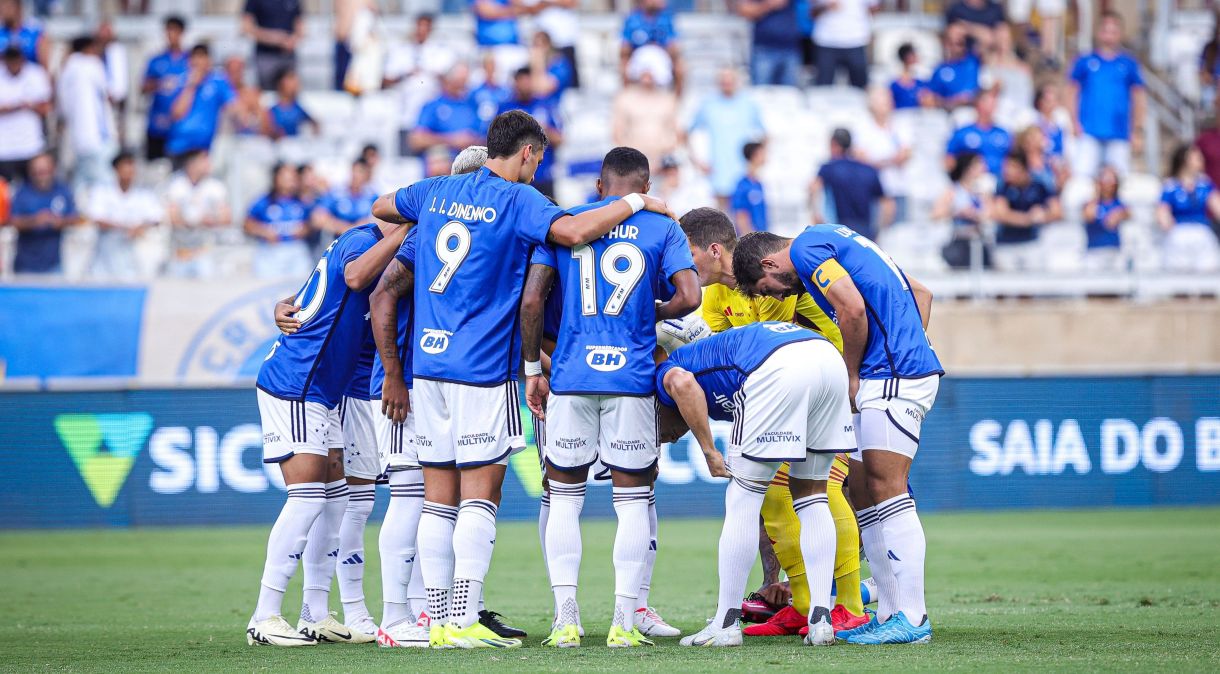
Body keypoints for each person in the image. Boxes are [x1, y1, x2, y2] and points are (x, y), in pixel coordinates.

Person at [368, 110, 673, 649]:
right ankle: (462, 620)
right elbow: (575, 230)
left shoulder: (436, 189)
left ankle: (438, 621)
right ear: (528, 153)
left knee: (438, 497)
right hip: (483, 368)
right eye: (538, 159)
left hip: (427, 367)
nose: (537, 168)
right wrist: (637, 202)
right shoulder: (520, 199)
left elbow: (381, 206)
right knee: (480, 495)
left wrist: (432, 215)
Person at [520, 146, 700, 648]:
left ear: (601, 187)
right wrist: (650, 311)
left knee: (563, 496)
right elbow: (690, 297)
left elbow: (532, 300)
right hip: (632, 378)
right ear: (644, 185)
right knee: (633, 499)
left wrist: (535, 367)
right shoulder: (663, 225)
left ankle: (565, 619)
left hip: (572, 376)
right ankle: (624, 620)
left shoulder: (565, 221)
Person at [731, 224, 943, 645]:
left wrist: (856, 370)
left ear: (770, 262)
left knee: (888, 488)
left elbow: (852, 310)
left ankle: (914, 618)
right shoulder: (834, 240)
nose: (776, 296)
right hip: (890, 372)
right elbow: (920, 293)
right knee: (863, 491)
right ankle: (888, 612)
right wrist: (906, 343)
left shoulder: (808, 248)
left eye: (767, 287)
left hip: (891, 376)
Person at [677, 208, 868, 638]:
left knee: (809, 491)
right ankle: (806, 604)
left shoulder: (778, 270)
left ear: (712, 249)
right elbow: (719, 354)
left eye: (688, 254)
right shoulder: (713, 298)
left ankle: (850, 605)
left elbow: (766, 348)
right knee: (782, 498)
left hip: (822, 380)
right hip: (779, 389)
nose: (684, 266)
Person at [246, 208, 410, 647]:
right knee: (307, 499)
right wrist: (405, 232)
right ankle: (264, 616)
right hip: (299, 382)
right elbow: (355, 279)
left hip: (323, 389)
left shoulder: (355, 241)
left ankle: (315, 613)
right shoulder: (362, 242)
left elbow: (307, 300)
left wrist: (282, 305)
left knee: (335, 503)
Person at [660, 321, 853, 648]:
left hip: (775, 366)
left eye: (656, 431)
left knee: (743, 498)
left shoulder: (668, 370)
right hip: (828, 359)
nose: (665, 439)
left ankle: (725, 623)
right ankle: (821, 620)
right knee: (813, 495)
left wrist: (708, 449)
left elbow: (681, 383)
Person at [1068, 11, 1145, 177]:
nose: (1109, 35)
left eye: (1114, 31)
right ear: (1098, 32)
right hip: (1089, 130)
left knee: (1120, 179)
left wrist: (1137, 129)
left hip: (1119, 131)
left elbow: (1138, 97)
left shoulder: (1128, 64)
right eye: (1105, 30)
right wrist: (1073, 121)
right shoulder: (1085, 61)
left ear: (1120, 34)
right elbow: (1072, 91)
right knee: (1082, 176)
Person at [689, 67, 764, 210]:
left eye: (730, 79)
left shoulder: (749, 103)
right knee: (722, 216)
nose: (727, 83)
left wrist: (756, 161)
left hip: (743, 169)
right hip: (719, 169)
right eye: (723, 80)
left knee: (744, 217)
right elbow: (688, 133)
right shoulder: (708, 104)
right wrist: (697, 161)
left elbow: (764, 135)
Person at [88, 151, 164, 280]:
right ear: (116, 169)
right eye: (125, 166)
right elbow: (96, 218)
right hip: (105, 256)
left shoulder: (144, 194)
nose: (129, 170)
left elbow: (157, 218)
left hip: (131, 255)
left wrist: (141, 227)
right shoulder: (102, 191)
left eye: (131, 166)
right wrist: (125, 228)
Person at [383, 14, 451, 155]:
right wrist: (406, 74)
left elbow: (450, 81)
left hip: (431, 120)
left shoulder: (440, 52)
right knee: (407, 160)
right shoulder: (401, 51)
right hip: (406, 115)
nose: (421, 30)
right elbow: (386, 80)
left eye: (425, 27)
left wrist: (432, 73)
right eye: (419, 26)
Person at [811, 128, 892, 239]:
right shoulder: (869, 170)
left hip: (839, 231)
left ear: (834, 144)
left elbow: (813, 189)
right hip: (865, 232)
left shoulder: (829, 168)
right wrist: (877, 231)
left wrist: (816, 217)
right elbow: (888, 205)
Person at [58, 35, 116, 191]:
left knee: (80, 185)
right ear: (88, 48)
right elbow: (112, 92)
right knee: (105, 185)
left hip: (77, 139)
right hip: (97, 137)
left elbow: (63, 107)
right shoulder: (91, 64)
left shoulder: (66, 69)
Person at [9, 153, 81, 274]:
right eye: (36, 172)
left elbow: (75, 218)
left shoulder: (62, 190)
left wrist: (59, 221)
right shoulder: (22, 192)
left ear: (52, 169)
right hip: (25, 265)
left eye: (44, 171)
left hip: (54, 264)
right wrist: (34, 221)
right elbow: (13, 221)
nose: (41, 176)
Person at [497, 66, 563, 198]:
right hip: (514, 178)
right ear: (515, 82)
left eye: (529, 80)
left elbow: (559, 139)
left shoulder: (545, 105)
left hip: (543, 175)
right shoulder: (505, 109)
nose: (526, 85)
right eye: (522, 81)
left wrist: (540, 130)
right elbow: (496, 142)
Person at [612, 48, 682, 171]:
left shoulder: (668, 100)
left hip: (663, 166)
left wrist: (665, 159)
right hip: (634, 166)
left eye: (652, 71)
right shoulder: (625, 98)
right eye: (644, 70)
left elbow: (677, 133)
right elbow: (617, 133)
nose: (647, 76)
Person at [164, 149, 230, 278]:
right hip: (180, 252)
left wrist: (211, 220)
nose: (208, 164)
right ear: (192, 164)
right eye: (203, 161)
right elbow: (171, 218)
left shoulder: (216, 187)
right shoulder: (176, 185)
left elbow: (226, 218)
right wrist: (195, 221)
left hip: (205, 251)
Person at [992, 151, 1061, 271]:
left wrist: (1043, 215)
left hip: (1031, 241)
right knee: (1006, 285)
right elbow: (1000, 213)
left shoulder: (1039, 184)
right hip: (1006, 243)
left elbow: (1057, 212)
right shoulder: (1002, 185)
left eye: (1011, 167)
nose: (1007, 171)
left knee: (1032, 284)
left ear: (1023, 168)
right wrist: (1028, 219)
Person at [167, 45, 236, 163]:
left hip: (204, 150)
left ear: (209, 61)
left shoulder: (218, 82)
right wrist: (191, 86)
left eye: (202, 57)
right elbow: (176, 114)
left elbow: (234, 108)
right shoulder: (179, 81)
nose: (198, 62)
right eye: (195, 57)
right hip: (179, 147)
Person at [1157, 144, 1220, 272]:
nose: (1202, 160)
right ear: (1185, 160)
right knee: (1179, 276)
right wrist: (1168, 225)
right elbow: (1162, 211)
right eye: (1197, 157)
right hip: (1179, 232)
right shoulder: (1171, 186)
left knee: (1208, 273)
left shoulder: (1205, 184)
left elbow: (1217, 206)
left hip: (1202, 232)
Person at [245, 163, 314, 279]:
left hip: (295, 249)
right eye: (286, 177)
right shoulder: (264, 201)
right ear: (276, 178)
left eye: (292, 177)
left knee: (300, 285)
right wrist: (263, 232)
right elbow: (247, 224)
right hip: (270, 251)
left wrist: (305, 229)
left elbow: (310, 223)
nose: (290, 180)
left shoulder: (302, 202)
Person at [856, 87, 913, 221]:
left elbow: (905, 154)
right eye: (882, 100)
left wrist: (880, 161)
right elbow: (861, 158)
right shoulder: (863, 127)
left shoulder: (900, 125)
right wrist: (891, 159)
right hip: (875, 192)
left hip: (898, 188)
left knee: (901, 233)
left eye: (888, 99)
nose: (887, 103)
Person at [0, 46, 50, 182]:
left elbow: (46, 108)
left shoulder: (35, 74)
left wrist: (31, 105)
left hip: (30, 145)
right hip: (4, 148)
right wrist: (16, 106)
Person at [933, 152, 991, 269]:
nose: (984, 168)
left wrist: (977, 215)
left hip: (979, 240)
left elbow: (990, 214)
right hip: (959, 241)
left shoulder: (982, 191)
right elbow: (935, 215)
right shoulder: (953, 191)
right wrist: (957, 213)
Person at [142, 16, 189, 161]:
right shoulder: (156, 60)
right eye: (168, 30)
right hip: (158, 125)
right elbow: (144, 87)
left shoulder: (189, 60)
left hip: (180, 127)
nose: (170, 35)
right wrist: (160, 84)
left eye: (175, 30)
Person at [410, 64, 483, 156]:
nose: (464, 86)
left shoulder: (471, 105)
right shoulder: (434, 106)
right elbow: (417, 140)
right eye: (459, 82)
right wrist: (452, 140)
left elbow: (480, 134)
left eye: (465, 81)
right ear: (448, 81)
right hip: (443, 161)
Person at [945, 88, 1011, 176]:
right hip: (970, 180)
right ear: (978, 103)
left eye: (994, 102)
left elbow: (1011, 161)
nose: (993, 105)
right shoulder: (963, 133)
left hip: (999, 181)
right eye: (989, 102)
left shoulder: (1003, 134)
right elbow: (949, 159)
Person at [621, 0, 683, 92]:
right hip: (638, 57)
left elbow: (673, 43)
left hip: (661, 57)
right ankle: (627, 98)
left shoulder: (666, 18)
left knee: (681, 69)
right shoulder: (632, 19)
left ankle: (675, 102)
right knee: (624, 67)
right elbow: (625, 46)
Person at [812, 0, 876, 89]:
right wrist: (826, 7)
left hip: (856, 41)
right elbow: (811, 13)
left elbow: (874, 8)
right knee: (823, 87)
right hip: (826, 41)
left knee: (860, 86)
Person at [737, 0, 802, 87]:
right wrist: (768, 5)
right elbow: (744, 11)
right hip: (764, 49)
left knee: (789, 96)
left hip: (790, 49)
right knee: (761, 93)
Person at [242, 0, 304, 90]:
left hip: (288, 55)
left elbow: (300, 24)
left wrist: (293, 40)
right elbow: (247, 27)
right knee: (267, 93)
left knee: (289, 91)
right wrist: (274, 39)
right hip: (265, 55)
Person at [314, 158, 378, 237]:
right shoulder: (336, 193)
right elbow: (318, 216)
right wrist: (341, 227)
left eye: (360, 172)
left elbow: (381, 220)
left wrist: (358, 226)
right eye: (353, 171)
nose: (355, 175)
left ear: (367, 175)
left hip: (364, 240)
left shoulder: (372, 196)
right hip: (339, 239)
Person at [1082, 166, 1128, 272]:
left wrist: (1119, 215)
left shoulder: (1118, 204)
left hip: (1114, 251)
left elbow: (1128, 214)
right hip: (1094, 252)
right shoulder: (1091, 203)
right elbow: (1089, 215)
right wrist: (1096, 193)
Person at [928, 23, 981, 109]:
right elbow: (932, 99)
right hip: (950, 113)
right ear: (946, 43)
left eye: (962, 40)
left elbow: (988, 44)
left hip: (975, 111)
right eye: (954, 40)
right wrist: (954, 101)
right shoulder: (940, 70)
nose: (960, 39)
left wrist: (970, 30)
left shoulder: (975, 61)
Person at [268, 69, 318, 139]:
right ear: (280, 83)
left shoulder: (299, 109)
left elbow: (314, 124)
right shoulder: (272, 111)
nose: (295, 84)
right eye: (291, 80)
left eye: (296, 82)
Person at [731, 142, 769, 234]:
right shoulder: (742, 185)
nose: (765, 157)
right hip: (751, 242)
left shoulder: (758, 183)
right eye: (762, 153)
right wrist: (749, 240)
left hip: (762, 238)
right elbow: (740, 215)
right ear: (754, 156)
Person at [0, 0, 47, 67]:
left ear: (18, 7)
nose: (2, 9)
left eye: (5, 5)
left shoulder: (35, 32)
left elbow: (44, 67)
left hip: (30, 75)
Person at [890, 43, 929, 110]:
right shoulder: (894, 83)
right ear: (907, 57)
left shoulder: (922, 80)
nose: (917, 58)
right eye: (914, 55)